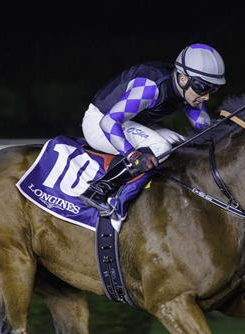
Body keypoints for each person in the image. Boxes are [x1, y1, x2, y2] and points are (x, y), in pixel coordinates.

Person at [79, 43, 226, 215]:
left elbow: (205, 131)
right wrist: (133, 155)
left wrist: (227, 129)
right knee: (160, 146)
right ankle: (98, 189)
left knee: (182, 144)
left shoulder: (187, 90)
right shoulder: (150, 88)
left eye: (212, 89)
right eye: (203, 87)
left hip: (128, 122)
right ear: (183, 79)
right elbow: (109, 122)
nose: (207, 96)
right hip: (100, 122)